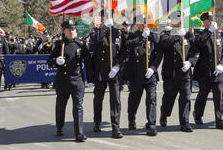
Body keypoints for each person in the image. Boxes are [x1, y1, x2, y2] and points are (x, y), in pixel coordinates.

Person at [48, 20, 93, 142]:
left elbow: (88, 61)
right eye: (69, 30)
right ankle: (59, 126)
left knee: (78, 106)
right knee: (61, 105)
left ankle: (79, 133)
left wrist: (90, 79)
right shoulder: (59, 44)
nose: (72, 32)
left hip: (77, 80)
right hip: (63, 80)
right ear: (64, 31)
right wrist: (56, 61)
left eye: (73, 30)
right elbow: (49, 60)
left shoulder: (81, 44)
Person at [159, 11, 199, 132]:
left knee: (186, 97)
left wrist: (190, 62)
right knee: (169, 97)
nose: (179, 21)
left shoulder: (188, 34)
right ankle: (164, 114)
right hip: (170, 73)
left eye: (180, 18)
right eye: (176, 19)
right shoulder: (166, 33)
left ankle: (185, 122)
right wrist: (176, 35)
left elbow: (196, 51)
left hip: (185, 73)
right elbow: (164, 44)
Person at [124, 14, 163, 136]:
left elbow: (159, 54)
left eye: (145, 22)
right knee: (134, 99)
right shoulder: (132, 35)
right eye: (141, 22)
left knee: (151, 99)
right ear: (137, 24)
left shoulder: (154, 36)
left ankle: (151, 125)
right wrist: (141, 36)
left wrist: (153, 68)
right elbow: (128, 46)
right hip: (136, 74)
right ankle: (131, 119)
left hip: (150, 75)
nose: (143, 24)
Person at [89, 10, 125, 139]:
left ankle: (116, 127)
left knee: (115, 100)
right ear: (102, 18)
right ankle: (97, 122)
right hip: (100, 72)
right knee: (98, 99)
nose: (108, 19)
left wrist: (118, 66)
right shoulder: (96, 31)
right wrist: (104, 27)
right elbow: (95, 41)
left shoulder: (118, 33)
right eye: (105, 17)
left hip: (114, 72)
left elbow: (124, 52)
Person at [192, 12, 223, 130]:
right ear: (203, 22)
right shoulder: (200, 34)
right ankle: (197, 114)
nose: (210, 22)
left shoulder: (220, 34)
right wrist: (209, 32)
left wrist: (222, 65)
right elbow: (200, 42)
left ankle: (219, 120)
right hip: (205, 71)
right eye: (207, 21)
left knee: (219, 96)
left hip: (218, 71)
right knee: (203, 94)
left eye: (211, 20)